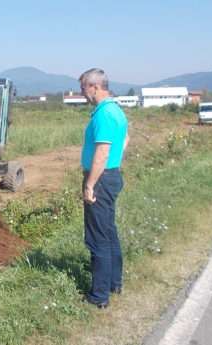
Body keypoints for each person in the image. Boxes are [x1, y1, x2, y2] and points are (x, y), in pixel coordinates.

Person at [79, 68, 129, 309]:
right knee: (108, 233)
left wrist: (90, 184)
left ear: (94, 87)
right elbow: (126, 138)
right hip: (110, 175)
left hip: (100, 179)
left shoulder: (104, 114)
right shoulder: (116, 110)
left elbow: (102, 151)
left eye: (83, 88)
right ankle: (113, 283)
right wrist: (115, 163)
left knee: (97, 237)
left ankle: (99, 295)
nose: (82, 94)